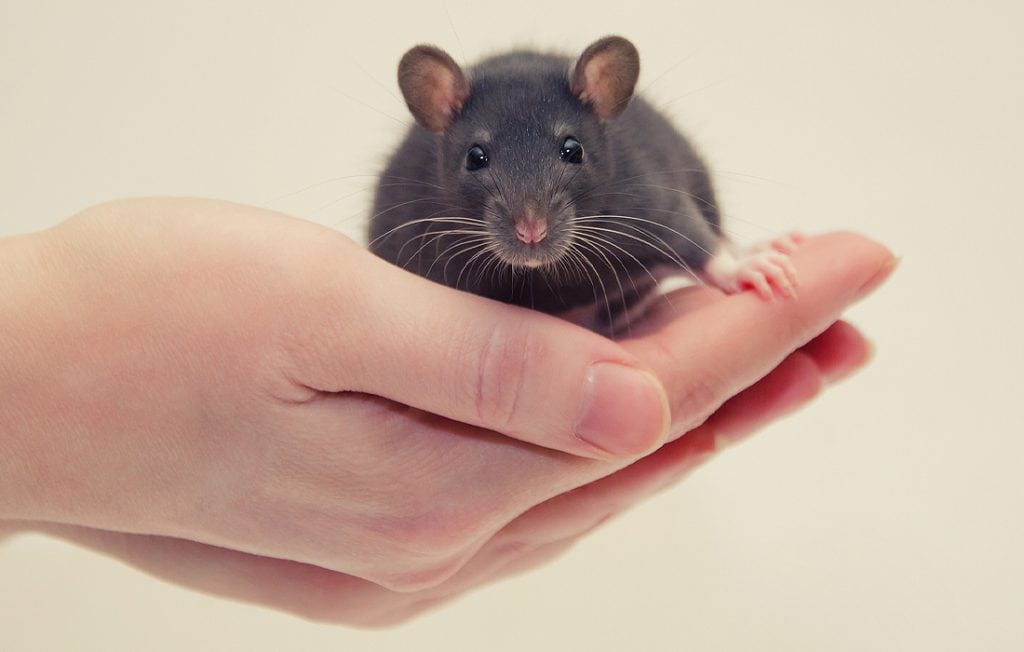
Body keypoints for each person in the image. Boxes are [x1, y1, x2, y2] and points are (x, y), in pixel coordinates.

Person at [0, 198, 894, 625]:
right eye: (481, 169)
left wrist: (718, 263)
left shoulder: (639, 174)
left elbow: (672, 193)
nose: (533, 221)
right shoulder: (417, 209)